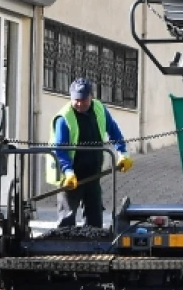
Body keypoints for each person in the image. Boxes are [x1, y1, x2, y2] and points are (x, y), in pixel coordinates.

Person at [49, 78, 133, 228]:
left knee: (94, 216)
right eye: (76, 100)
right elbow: (60, 150)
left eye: (84, 100)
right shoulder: (64, 118)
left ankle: (95, 245)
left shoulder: (100, 109)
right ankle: (65, 247)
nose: (80, 104)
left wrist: (123, 153)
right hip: (71, 175)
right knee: (67, 218)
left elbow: (113, 130)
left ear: (91, 97)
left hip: (93, 174)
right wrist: (68, 172)